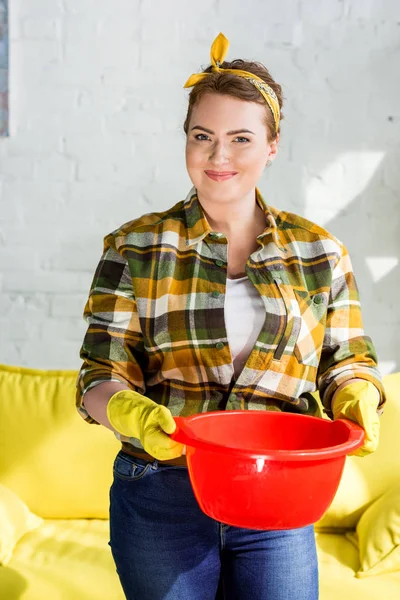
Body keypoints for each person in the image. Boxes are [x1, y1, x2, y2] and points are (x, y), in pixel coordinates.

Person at [75, 32, 386, 600]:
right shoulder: (135, 247)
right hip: (162, 491)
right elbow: (99, 375)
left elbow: (348, 361)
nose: (219, 157)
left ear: (272, 145)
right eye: (203, 137)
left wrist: (356, 396)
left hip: (282, 494)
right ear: (186, 142)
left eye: (240, 138)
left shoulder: (320, 253)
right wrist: (130, 412)